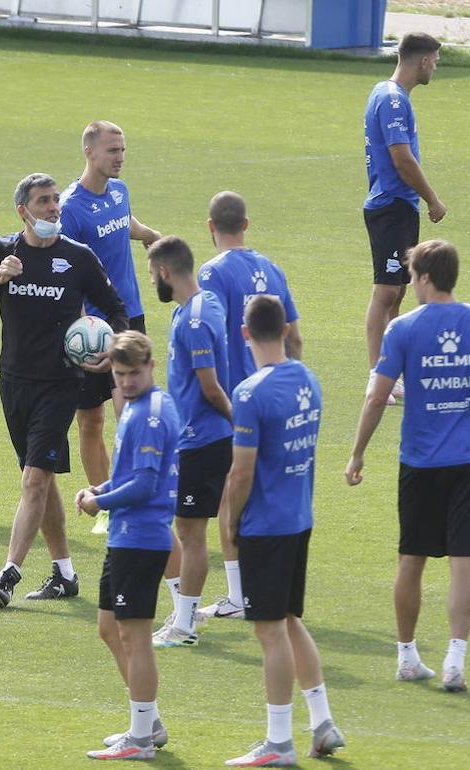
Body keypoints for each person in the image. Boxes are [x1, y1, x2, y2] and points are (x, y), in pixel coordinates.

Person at [345, 240, 470, 694]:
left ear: (423, 278)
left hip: (419, 460)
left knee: (411, 559)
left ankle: (406, 656)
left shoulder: (402, 329)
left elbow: (378, 395)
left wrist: (358, 452)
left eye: (412, 275)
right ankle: (455, 659)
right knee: (464, 564)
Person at [0, 173, 128, 607]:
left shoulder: (77, 257)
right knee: (40, 480)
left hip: (62, 383)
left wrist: (113, 347)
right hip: (14, 383)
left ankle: (8, 573)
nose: (54, 208)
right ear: (23, 210)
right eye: (44, 202)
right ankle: (64, 573)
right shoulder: (4, 250)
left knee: (35, 480)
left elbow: (116, 309)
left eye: (56, 200)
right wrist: (0, 276)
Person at [223, 295, 345, 766]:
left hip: (267, 525)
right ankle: (322, 722)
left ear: (245, 333)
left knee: (270, 631)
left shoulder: (251, 393)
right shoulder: (308, 380)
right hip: (299, 518)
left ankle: (278, 742)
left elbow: (241, 473)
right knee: (291, 621)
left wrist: (231, 520)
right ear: (284, 330)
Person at [195, 192, 302, 622]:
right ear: (247, 223)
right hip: (279, 397)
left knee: (231, 499)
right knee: (267, 496)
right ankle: (271, 587)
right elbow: (293, 337)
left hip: (237, 403)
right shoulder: (272, 269)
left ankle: (240, 595)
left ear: (210, 226)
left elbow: (210, 336)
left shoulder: (212, 272)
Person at [75, 331, 181, 761]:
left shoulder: (151, 415)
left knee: (135, 637)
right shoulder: (140, 408)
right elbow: (129, 473)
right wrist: (100, 486)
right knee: (109, 628)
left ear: (151, 366)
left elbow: (146, 483)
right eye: (120, 375)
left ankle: (140, 737)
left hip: (141, 537)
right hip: (126, 537)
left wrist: (101, 500)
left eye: (134, 373)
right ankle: (148, 722)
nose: (128, 381)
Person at [58, 120, 162, 534]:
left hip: (130, 318)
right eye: (112, 151)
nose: (120, 157)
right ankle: (105, 506)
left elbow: (125, 223)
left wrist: (150, 234)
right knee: (91, 420)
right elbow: (63, 271)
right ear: (89, 152)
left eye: (123, 150)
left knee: (132, 414)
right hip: (91, 329)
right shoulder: (70, 208)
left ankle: (130, 497)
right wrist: (83, 333)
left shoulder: (119, 191)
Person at [144, 237, 232, 649]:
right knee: (185, 527)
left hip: (202, 439)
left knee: (191, 533)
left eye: (150, 274)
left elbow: (210, 387)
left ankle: (185, 625)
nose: (151, 282)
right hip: (196, 437)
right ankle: (182, 616)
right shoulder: (203, 304)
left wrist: (240, 423)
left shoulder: (193, 319)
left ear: (164, 271)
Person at [363, 32, 445, 406]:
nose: (436, 66)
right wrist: (433, 198)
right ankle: (378, 377)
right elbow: (402, 158)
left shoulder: (387, 94)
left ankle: (391, 372)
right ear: (423, 60)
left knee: (397, 292)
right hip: (391, 204)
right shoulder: (394, 100)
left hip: (399, 205)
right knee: (386, 291)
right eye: (436, 59)